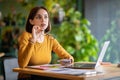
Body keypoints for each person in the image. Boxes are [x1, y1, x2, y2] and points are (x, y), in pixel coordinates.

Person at [18, 6, 74, 80]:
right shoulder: (26, 36)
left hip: (44, 76)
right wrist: (33, 40)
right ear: (31, 21)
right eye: (38, 17)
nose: (43, 20)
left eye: (46, 17)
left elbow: (68, 57)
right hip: (28, 78)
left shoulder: (50, 39)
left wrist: (68, 60)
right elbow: (22, 64)